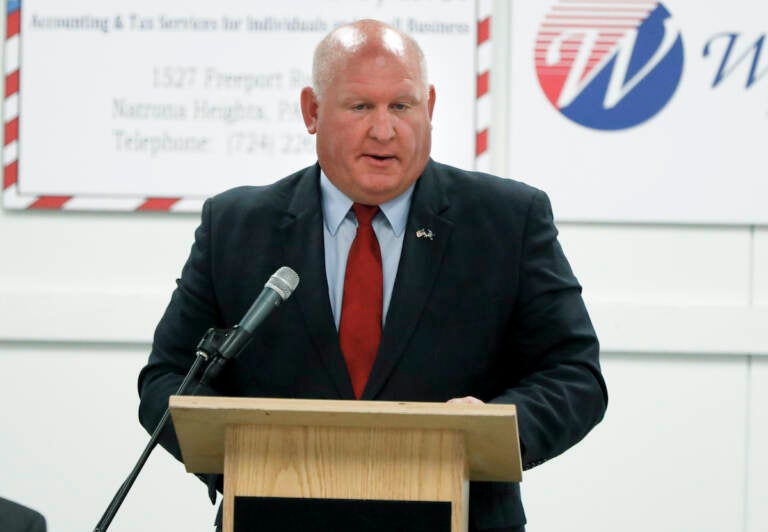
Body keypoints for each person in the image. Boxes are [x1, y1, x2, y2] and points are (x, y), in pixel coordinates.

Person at [138, 19, 607, 532]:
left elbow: (574, 374)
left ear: (429, 106)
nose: (384, 131)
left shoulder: (508, 219)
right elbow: (168, 378)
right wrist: (244, 455)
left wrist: (492, 431)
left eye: (401, 106)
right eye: (361, 107)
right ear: (312, 111)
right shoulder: (236, 225)